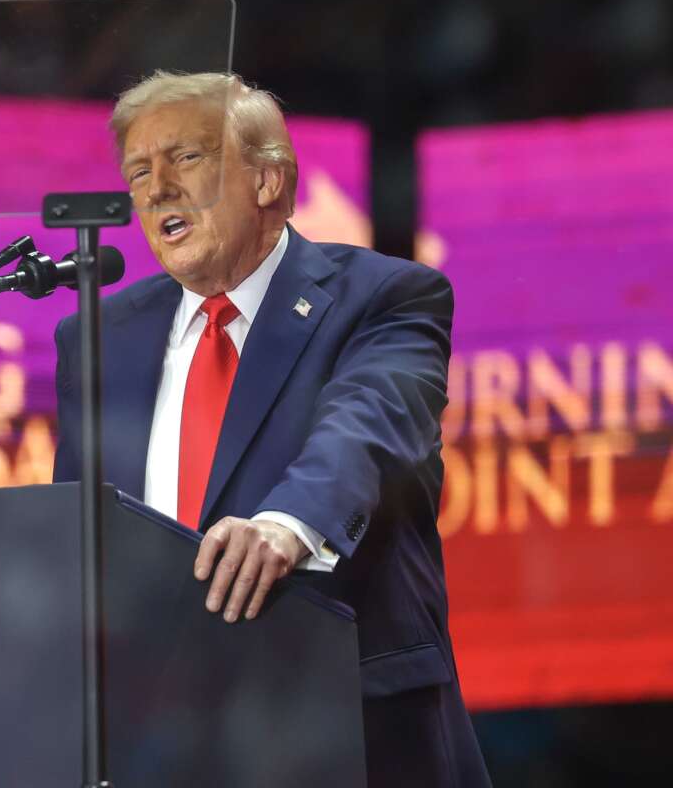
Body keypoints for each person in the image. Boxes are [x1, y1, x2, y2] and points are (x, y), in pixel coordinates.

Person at [52, 71, 491, 787]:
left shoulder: (384, 297)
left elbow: (369, 428)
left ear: (268, 182)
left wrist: (288, 524)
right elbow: (74, 533)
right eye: (138, 171)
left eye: (185, 158)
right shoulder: (98, 338)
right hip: (161, 746)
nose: (156, 187)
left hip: (348, 734)